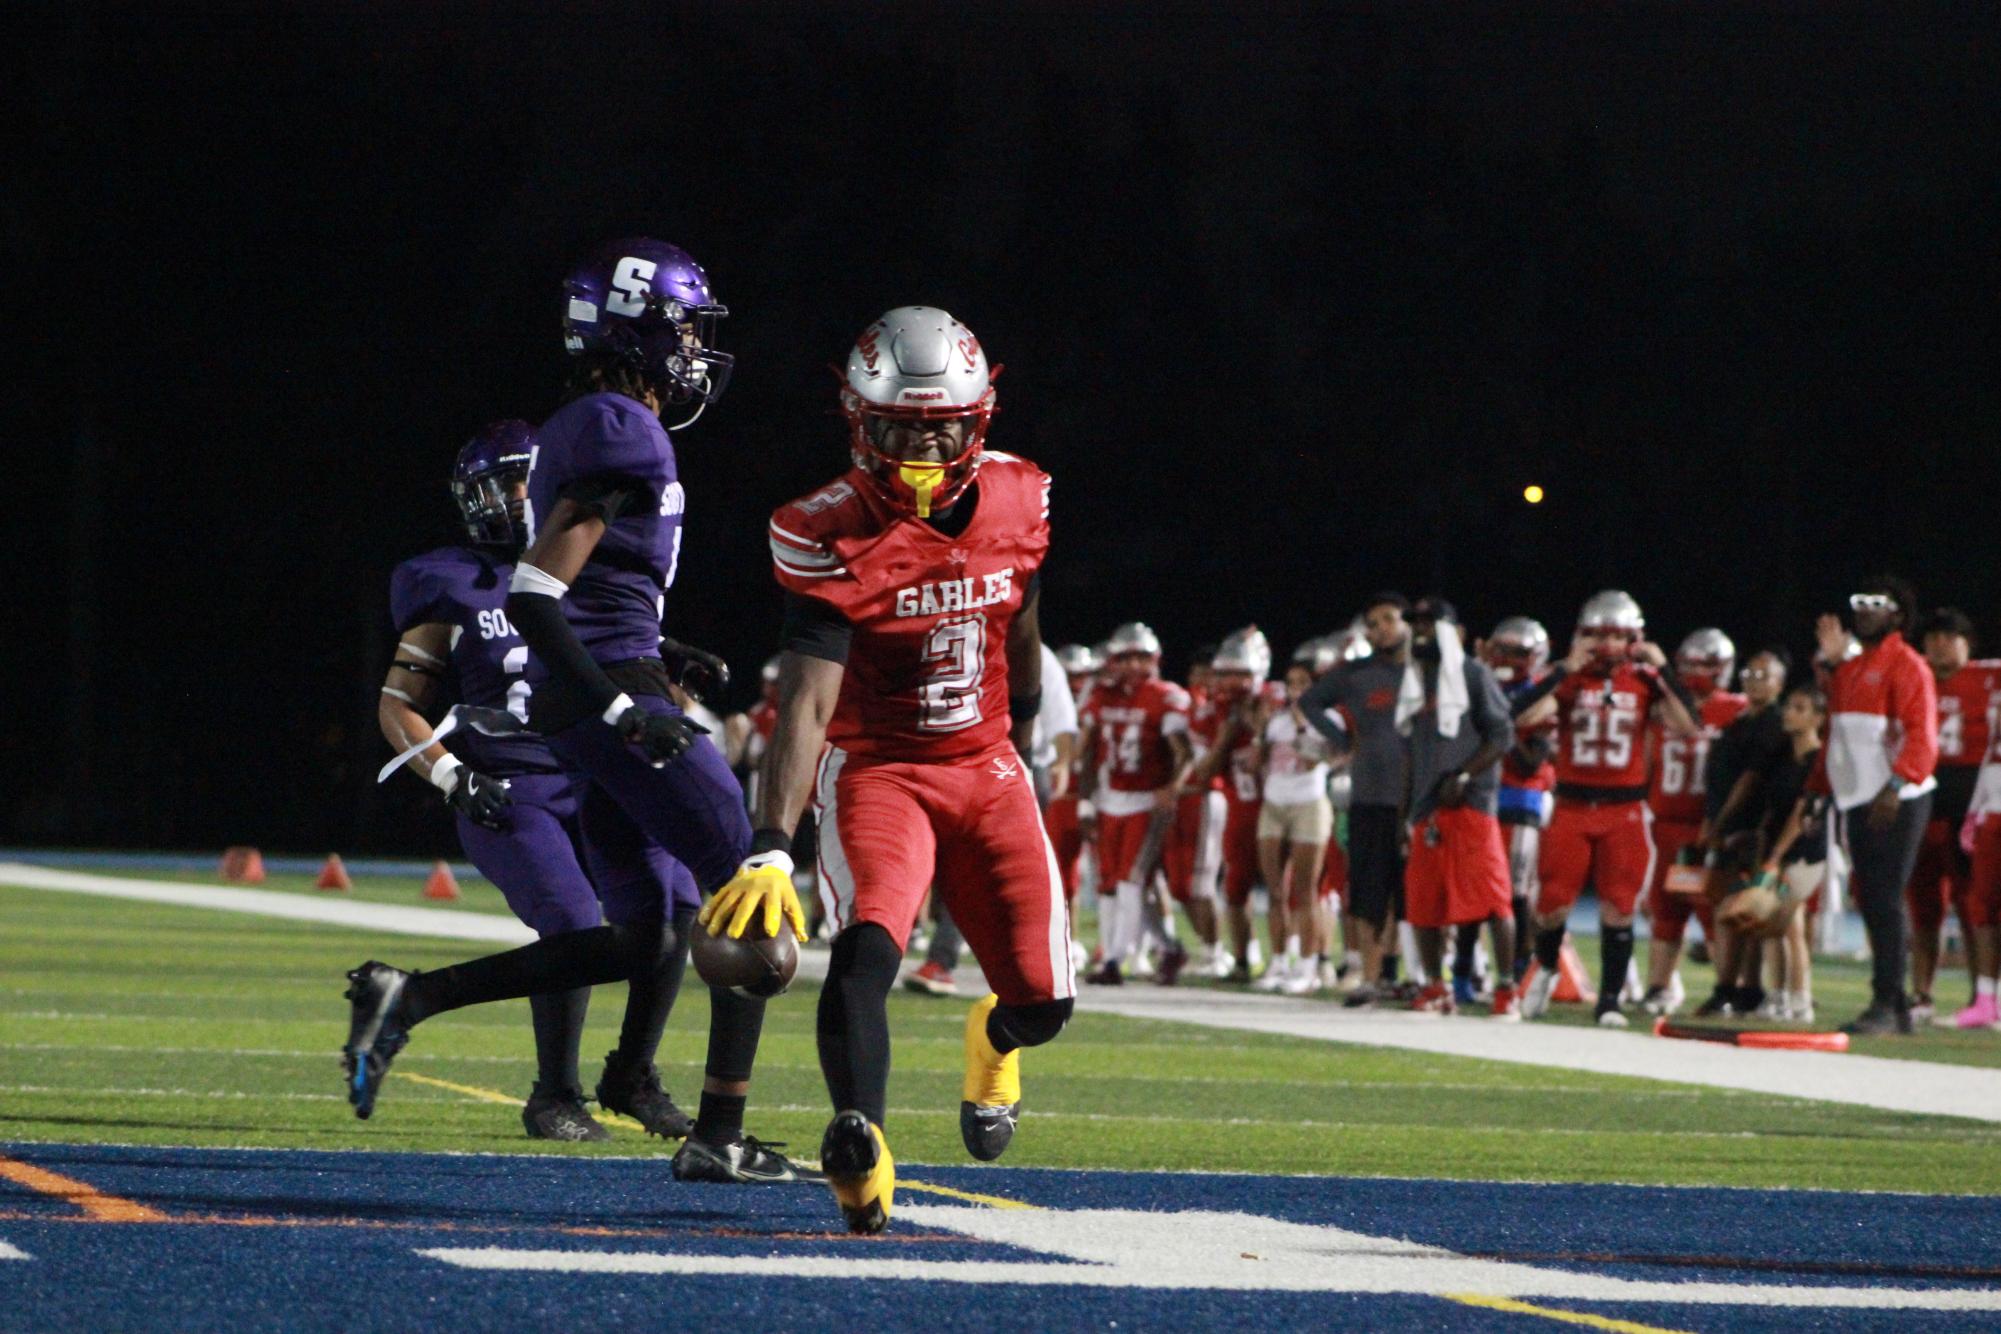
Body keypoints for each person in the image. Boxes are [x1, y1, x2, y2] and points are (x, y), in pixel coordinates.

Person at [341, 239, 796, 1183]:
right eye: (682, 327)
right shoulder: (619, 423)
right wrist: (626, 707)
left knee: (646, 936)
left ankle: (412, 999)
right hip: (604, 696)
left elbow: (577, 591)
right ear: (638, 329)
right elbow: (537, 592)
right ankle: (718, 1135)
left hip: (595, 693)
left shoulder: (592, 422)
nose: (695, 347)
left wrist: (653, 661)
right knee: (754, 902)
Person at [752, 306, 1071, 1234]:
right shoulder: (824, 526)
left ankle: (993, 1039)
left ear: (978, 422)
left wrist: (1023, 719)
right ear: (859, 421)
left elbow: (1022, 604)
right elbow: (807, 702)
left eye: (941, 428)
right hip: (880, 770)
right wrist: (773, 842)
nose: (921, 448)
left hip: (985, 762)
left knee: (1044, 1003)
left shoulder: (1024, 494)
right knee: (864, 954)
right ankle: (862, 1141)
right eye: (900, 427)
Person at [377, 422, 613, 1141]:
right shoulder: (448, 581)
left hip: (595, 780)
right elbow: (397, 705)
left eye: (526, 478)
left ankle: (633, 1073)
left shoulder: (589, 567)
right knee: (573, 924)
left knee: (665, 919)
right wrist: (452, 776)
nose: (516, 496)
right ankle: (556, 1095)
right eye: (503, 482)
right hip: (510, 786)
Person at [1514, 590, 1699, 1027]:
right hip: (1572, 804)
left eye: (1618, 636)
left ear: (1634, 639)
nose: (1610, 646)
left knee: (1620, 906)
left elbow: (1690, 725)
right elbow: (1520, 717)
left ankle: (1610, 1000)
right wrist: (1561, 672)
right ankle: (1546, 966)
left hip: (1625, 809)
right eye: (1601, 636)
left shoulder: (1646, 680)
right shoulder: (1568, 679)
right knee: (1552, 904)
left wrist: (1665, 671)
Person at [905, 636, 1080, 995]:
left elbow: (1062, 722)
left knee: (991, 868)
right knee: (956, 865)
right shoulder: (963, 636)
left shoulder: (1034, 652)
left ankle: (952, 960)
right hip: (959, 765)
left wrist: (1060, 763)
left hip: (1017, 767)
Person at [1809, 576, 1939, 1035]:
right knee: (1873, 899)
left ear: (1898, 615)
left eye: (1876, 604)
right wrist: (1817, 790)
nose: (1863, 610)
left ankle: (1887, 1000)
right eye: (1858, 602)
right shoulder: (1852, 668)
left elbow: (1922, 734)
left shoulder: (1906, 664)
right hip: (1858, 796)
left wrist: (1897, 785)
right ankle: (1895, 1004)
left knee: (1884, 899)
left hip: (1894, 798)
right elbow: (1838, 739)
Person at [1398, 600, 1519, 1018]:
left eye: (1431, 622)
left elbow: (1502, 735)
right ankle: (1435, 986)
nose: (1421, 630)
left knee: (1492, 900)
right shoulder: (1414, 679)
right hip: (1425, 809)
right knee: (1423, 904)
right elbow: (1410, 755)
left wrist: (1465, 776)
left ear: (1455, 632)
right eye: (1415, 622)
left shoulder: (1471, 674)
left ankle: (1507, 989)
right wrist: (1405, 813)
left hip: (1471, 803)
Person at [1300, 592, 1415, 1004]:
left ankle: (1409, 974)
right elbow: (1309, 701)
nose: (1382, 628)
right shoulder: (1356, 674)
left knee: (1412, 895)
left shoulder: (1427, 669)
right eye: (1374, 622)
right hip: (1369, 792)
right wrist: (1343, 739)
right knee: (1368, 891)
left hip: (1418, 797)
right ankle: (1371, 976)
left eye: (1388, 619)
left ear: (1406, 622)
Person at [1077, 622, 1194, 985]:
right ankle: (1163, 946)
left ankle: (1114, 961)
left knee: (1130, 882)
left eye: (1140, 657)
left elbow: (1184, 753)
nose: (1132, 665)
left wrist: (1172, 788)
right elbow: (1088, 754)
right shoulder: (1100, 696)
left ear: (1154, 659)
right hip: (1110, 798)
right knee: (1109, 885)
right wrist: (1085, 802)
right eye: (1124, 657)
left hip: (1146, 800)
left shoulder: (1165, 695)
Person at [1639, 630, 1748, 1014]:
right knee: (1664, 909)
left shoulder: (1736, 708)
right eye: (1687, 664)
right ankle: (1658, 987)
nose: (1693, 672)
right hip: (1664, 824)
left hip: (1706, 828)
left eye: (1702, 664)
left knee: (1711, 911)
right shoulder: (1661, 706)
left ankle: (1725, 990)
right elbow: (1647, 762)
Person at [1684, 648, 1793, 1015]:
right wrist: (1709, 819)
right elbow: (1721, 779)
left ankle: (1735, 988)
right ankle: (1743, 989)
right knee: (1733, 910)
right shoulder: (1740, 721)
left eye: (1764, 676)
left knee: (1743, 911)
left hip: (1754, 830)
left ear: (1780, 684)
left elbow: (1749, 780)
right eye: (1750, 674)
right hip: (1732, 827)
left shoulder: (1775, 724)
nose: (1755, 682)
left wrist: (1720, 823)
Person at [1907, 610, 2001, 1022]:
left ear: (1968, 643)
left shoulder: (1989, 676)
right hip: (1924, 791)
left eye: (1950, 636)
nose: (1941, 644)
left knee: (1973, 901)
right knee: (1922, 903)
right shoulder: (1912, 675)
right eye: (1933, 636)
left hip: (1971, 793)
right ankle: (1921, 994)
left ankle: (1980, 995)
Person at [1726, 684, 1833, 1021]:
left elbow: (1803, 813)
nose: (1789, 713)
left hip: (1804, 852)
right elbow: (1771, 807)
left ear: (1818, 718)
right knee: (1768, 924)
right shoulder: (1783, 756)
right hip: (1776, 850)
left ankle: (1801, 999)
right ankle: (1778, 996)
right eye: (1789, 706)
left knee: (1790, 924)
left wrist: (1776, 856)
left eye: (1800, 708)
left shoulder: (1820, 760)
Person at [1186, 628, 1282, 982]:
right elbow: (1203, 772)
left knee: (1283, 889)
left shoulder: (1276, 701)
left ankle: (1293, 961)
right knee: (1235, 888)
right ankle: (1243, 960)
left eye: (1240, 673)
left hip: (1281, 805)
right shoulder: (1210, 712)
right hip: (1240, 807)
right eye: (1225, 673)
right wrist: (1226, 736)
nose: (1232, 682)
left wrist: (1260, 726)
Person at [1252, 649, 1338, 994]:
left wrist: (1303, 720)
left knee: (1306, 891)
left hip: (1308, 803)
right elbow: (1257, 762)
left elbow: (1313, 760)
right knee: (1274, 890)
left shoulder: (1326, 717)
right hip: (1275, 801)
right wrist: (1260, 731)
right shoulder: (1277, 719)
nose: (1296, 690)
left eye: (1304, 684)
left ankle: (1307, 964)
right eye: (1291, 684)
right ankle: (1277, 961)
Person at [1478, 617, 1555, 989]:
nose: (1508, 657)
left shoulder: (1541, 693)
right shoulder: (1481, 683)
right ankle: (1467, 968)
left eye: (1518, 651)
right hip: (1479, 797)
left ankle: (1520, 968)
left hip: (1521, 800)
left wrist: (1499, 724)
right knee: (1475, 889)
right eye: (1502, 649)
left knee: (1517, 894)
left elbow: (1530, 761)